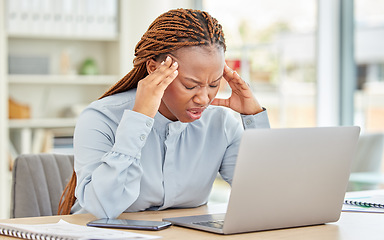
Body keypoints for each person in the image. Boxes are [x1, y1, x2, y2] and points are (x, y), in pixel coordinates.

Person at [58, 8, 270, 219]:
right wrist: (139, 120)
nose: (204, 99)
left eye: (214, 84)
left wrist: (253, 119)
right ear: (154, 68)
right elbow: (103, 208)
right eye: (190, 85)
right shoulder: (101, 118)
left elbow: (263, 197)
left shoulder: (221, 123)